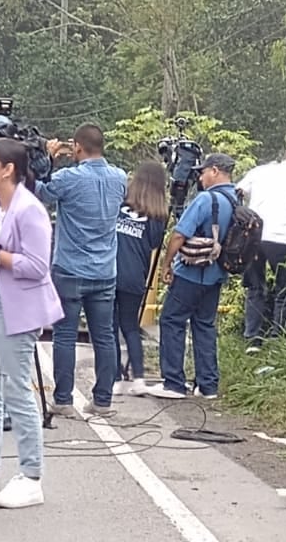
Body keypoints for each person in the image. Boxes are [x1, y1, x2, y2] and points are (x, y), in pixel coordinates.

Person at [0, 137, 63, 510]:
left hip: (16, 307)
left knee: (16, 389)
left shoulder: (30, 210)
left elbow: (38, 266)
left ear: (8, 169)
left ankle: (30, 475)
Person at [37, 124, 127, 417]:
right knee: (104, 336)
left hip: (70, 268)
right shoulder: (119, 178)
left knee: (64, 335)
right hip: (105, 270)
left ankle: (63, 400)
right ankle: (103, 401)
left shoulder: (67, 178)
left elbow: (41, 193)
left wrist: (47, 161)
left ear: (76, 147)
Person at [148, 153, 239, 400]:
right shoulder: (237, 198)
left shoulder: (205, 199)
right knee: (205, 325)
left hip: (191, 272)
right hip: (217, 274)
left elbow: (179, 234)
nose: (200, 176)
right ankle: (208, 386)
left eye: (204, 171)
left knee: (171, 321)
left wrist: (166, 264)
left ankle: (174, 383)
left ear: (216, 171)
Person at [235, 146, 286, 351]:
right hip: (282, 240)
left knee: (255, 287)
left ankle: (252, 339)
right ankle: (278, 339)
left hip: (253, 237)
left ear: (283, 158)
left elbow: (238, 191)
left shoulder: (260, 171)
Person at [112, 162, 170, 396]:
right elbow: (154, 244)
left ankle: (114, 377)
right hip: (136, 276)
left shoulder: (119, 205)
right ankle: (138, 378)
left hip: (110, 272)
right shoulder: (159, 216)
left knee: (109, 327)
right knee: (130, 327)